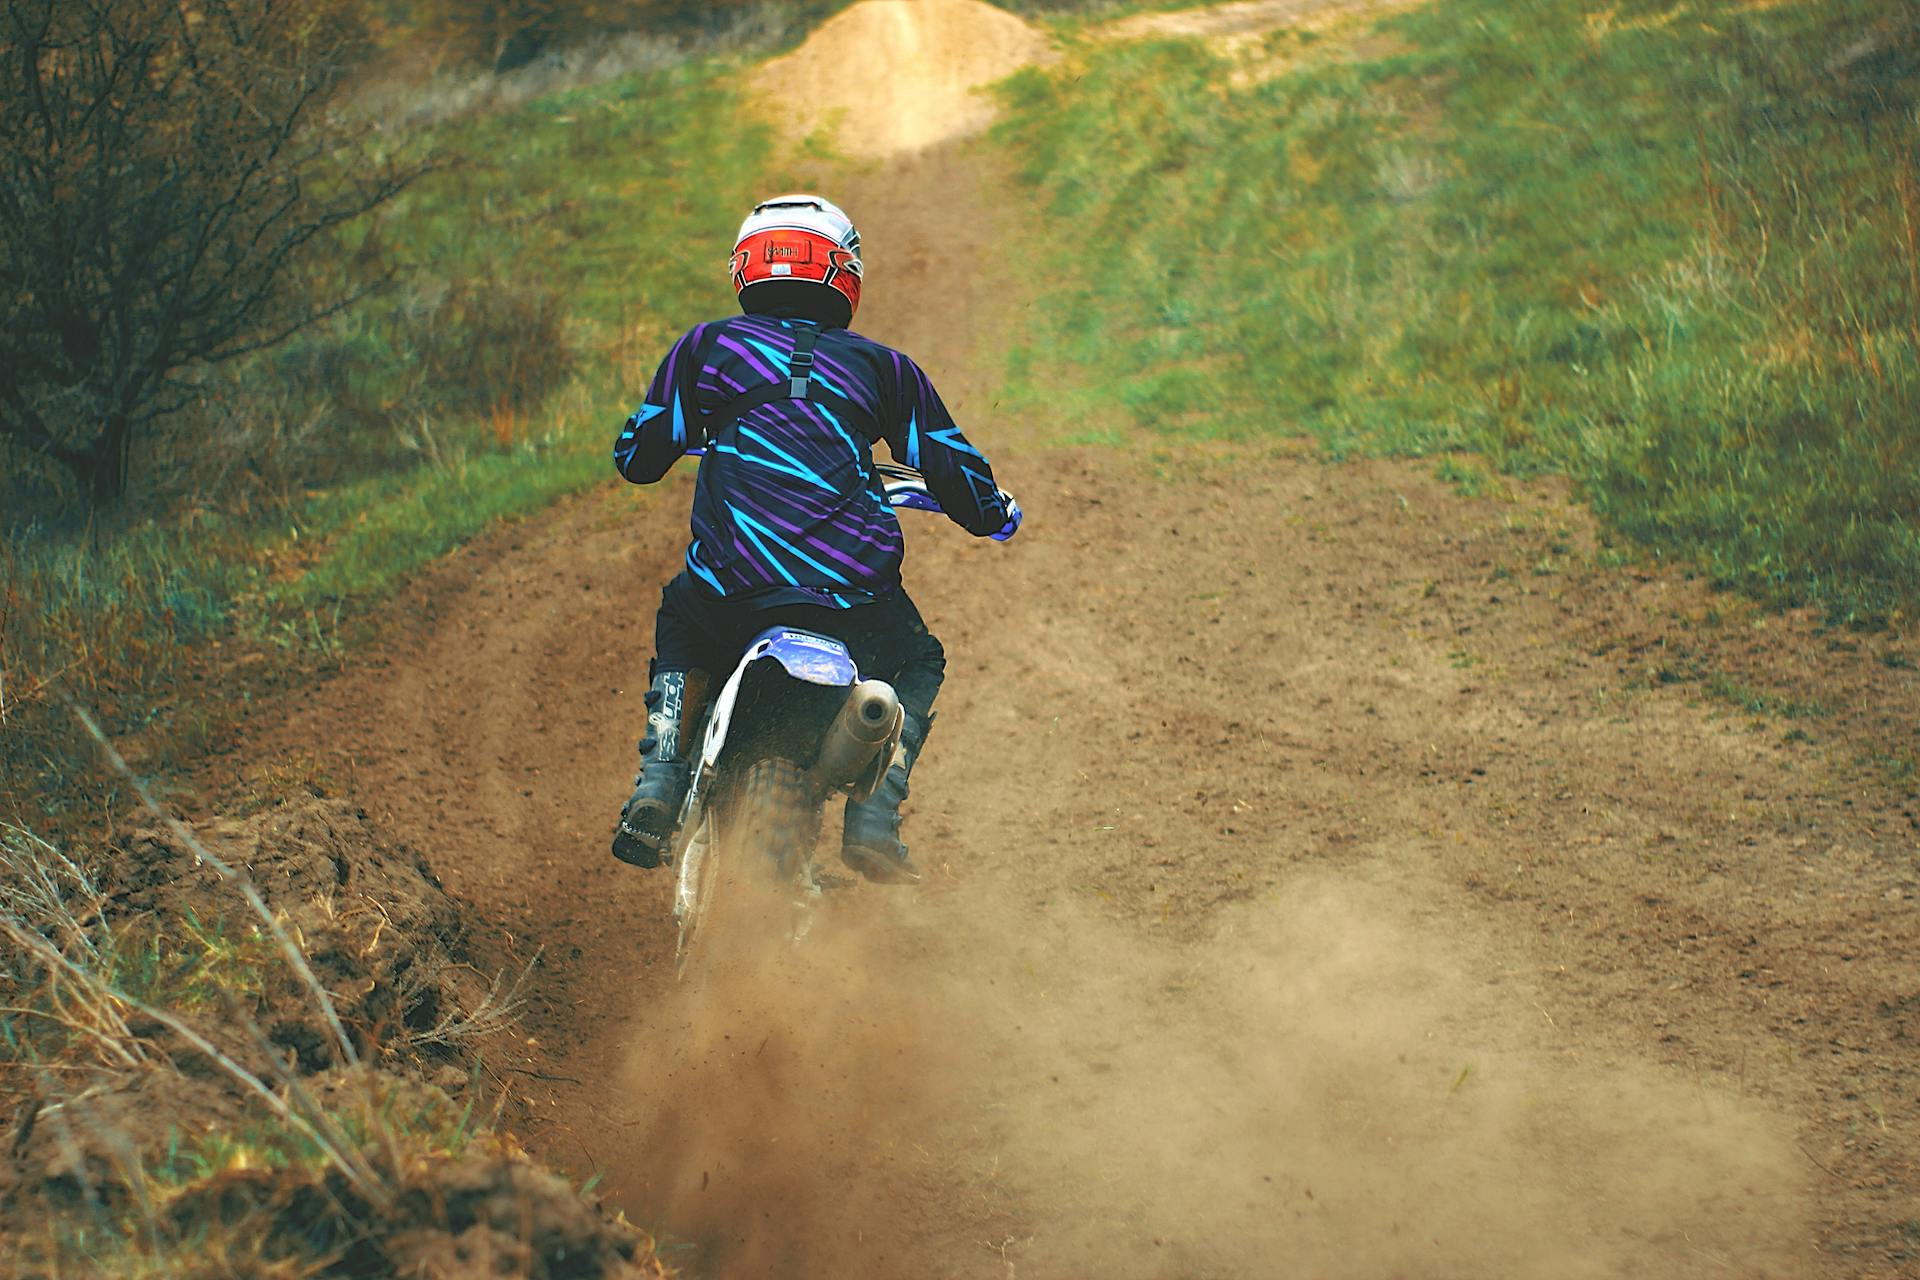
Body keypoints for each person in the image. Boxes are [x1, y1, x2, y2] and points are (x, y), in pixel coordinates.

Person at [609, 194, 1017, 884]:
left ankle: (658, 779)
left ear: (746, 270)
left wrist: (693, 432)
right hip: (850, 600)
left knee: (682, 615)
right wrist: (995, 510)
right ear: (844, 273)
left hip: (730, 589)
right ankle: (875, 815)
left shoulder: (708, 348)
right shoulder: (886, 370)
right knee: (917, 659)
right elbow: (958, 473)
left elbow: (638, 457)